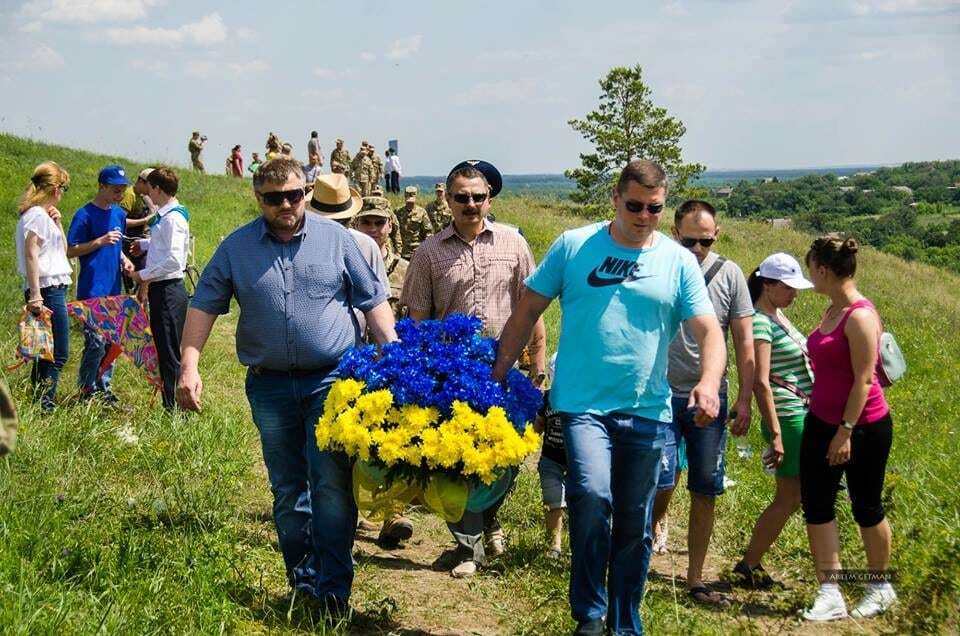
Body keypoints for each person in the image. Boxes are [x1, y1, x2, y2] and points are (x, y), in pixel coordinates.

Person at [490, 160, 723, 635]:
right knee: (591, 496)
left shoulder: (677, 261)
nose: (643, 216)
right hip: (581, 406)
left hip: (648, 410)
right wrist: (496, 377)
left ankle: (625, 622)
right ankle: (590, 615)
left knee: (635, 525)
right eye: (634, 205)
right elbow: (527, 310)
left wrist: (708, 380)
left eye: (654, 208)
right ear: (615, 199)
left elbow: (709, 331)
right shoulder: (575, 245)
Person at [177, 157, 396, 616]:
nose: (286, 205)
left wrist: (392, 356)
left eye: (295, 195)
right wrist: (189, 367)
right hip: (270, 387)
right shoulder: (236, 248)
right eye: (274, 198)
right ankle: (304, 583)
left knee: (331, 484)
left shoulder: (336, 239)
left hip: (332, 382)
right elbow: (203, 306)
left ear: (306, 193)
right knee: (288, 488)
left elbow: (373, 299)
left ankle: (334, 590)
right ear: (259, 199)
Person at [400, 159, 547, 578]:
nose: (470, 204)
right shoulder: (428, 253)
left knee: (508, 456)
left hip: (507, 371)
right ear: (447, 199)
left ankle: (488, 522)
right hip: (452, 374)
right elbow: (417, 319)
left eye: (478, 197)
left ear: (490, 199)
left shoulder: (514, 244)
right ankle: (468, 548)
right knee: (458, 460)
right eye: (461, 197)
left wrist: (538, 366)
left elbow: (532, 308)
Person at [652, 199, 754, 606]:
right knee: (657, 481)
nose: (696, 249)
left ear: (717, 235)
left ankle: (695, 577)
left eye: (705, 241)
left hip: (709, 398)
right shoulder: (658, 265)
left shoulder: (729, 275)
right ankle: (641, 548)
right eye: (689, 240)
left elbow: (744, 340)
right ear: (675, 232)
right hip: (658, 394)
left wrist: (745, 398)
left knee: (705, 489)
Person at [800, 237, 896, 622]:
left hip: (862, 428)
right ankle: (830, 592)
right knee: (817, 505)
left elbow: (864, 380)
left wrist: (845, 432)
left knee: (866, 506)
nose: (810, 277)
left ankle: (879, 586)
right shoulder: (832, 309)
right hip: (821, 421)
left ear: (823, 270)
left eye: (811, 269)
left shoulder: (859, 316)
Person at [732, 252, 814, 589]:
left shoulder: (776, 315)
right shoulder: (761, 321)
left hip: (799, 414)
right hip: (789, 416)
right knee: (789, 497)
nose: (795, 294)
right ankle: (750, 564)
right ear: (768, 285)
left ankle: (751, 563)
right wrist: (776, 434)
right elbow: (761, 380)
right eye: (789, 287)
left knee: (794, 496)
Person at [66, 164, 135, 401]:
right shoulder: (84, 215)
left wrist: (125, 260)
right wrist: (99, 241)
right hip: (92, 288)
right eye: (115, 189)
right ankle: (87, 389)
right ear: (102, 186)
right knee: (95, 342)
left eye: (123, 189)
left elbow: (116, 247)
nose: (120, 194)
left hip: (114, 288)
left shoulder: (119, 215)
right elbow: (70, 250)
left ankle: (104, 387)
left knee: (111, 343)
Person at [127, 167, 190, 410]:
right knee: (164, 350)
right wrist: (144, 245)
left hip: (168, 290)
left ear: (157, 189)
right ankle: (170, 405)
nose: (147, 193)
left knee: (170, 353)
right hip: (161, 290)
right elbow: (165, 245)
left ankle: (175, 410)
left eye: (150, 188)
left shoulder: (174, 218)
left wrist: (141, 274)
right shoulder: (167, 215)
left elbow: (174, 260)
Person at [15, 161, 72, 410]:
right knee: (58, 352)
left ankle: (39, 400)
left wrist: (58, 225)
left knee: (45, 351)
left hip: (52, 287)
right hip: (47, 289)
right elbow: (31, 254)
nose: (62, 193)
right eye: (63, 188)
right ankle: (45, 404)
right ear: (54, 187)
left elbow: (63, 252)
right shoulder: (37, 216)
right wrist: (36, 295)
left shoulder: (42, 215)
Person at [534, 354, 565, 560]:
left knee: (580, 500)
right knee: (553, 500)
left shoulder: (582, 400)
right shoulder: (547, 398)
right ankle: (554, 544)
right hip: (551, 458)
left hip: (579, 460)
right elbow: (538, 425)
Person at [119, 169, 158, 293]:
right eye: (149, 185)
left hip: (139, 239)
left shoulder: (142, 197)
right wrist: (144, 221)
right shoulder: (130, 196)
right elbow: (120, 222)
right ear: (141, 182)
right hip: (129, 242)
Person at [395, 186, 434, 259]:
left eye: (412, 202)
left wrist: (426, 250)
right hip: (402, 252)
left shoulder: (421, 212)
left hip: (417, 252)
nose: (410, 204)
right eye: (408, 202)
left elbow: (428, 233)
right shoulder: (398, 212)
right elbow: (394, 231)